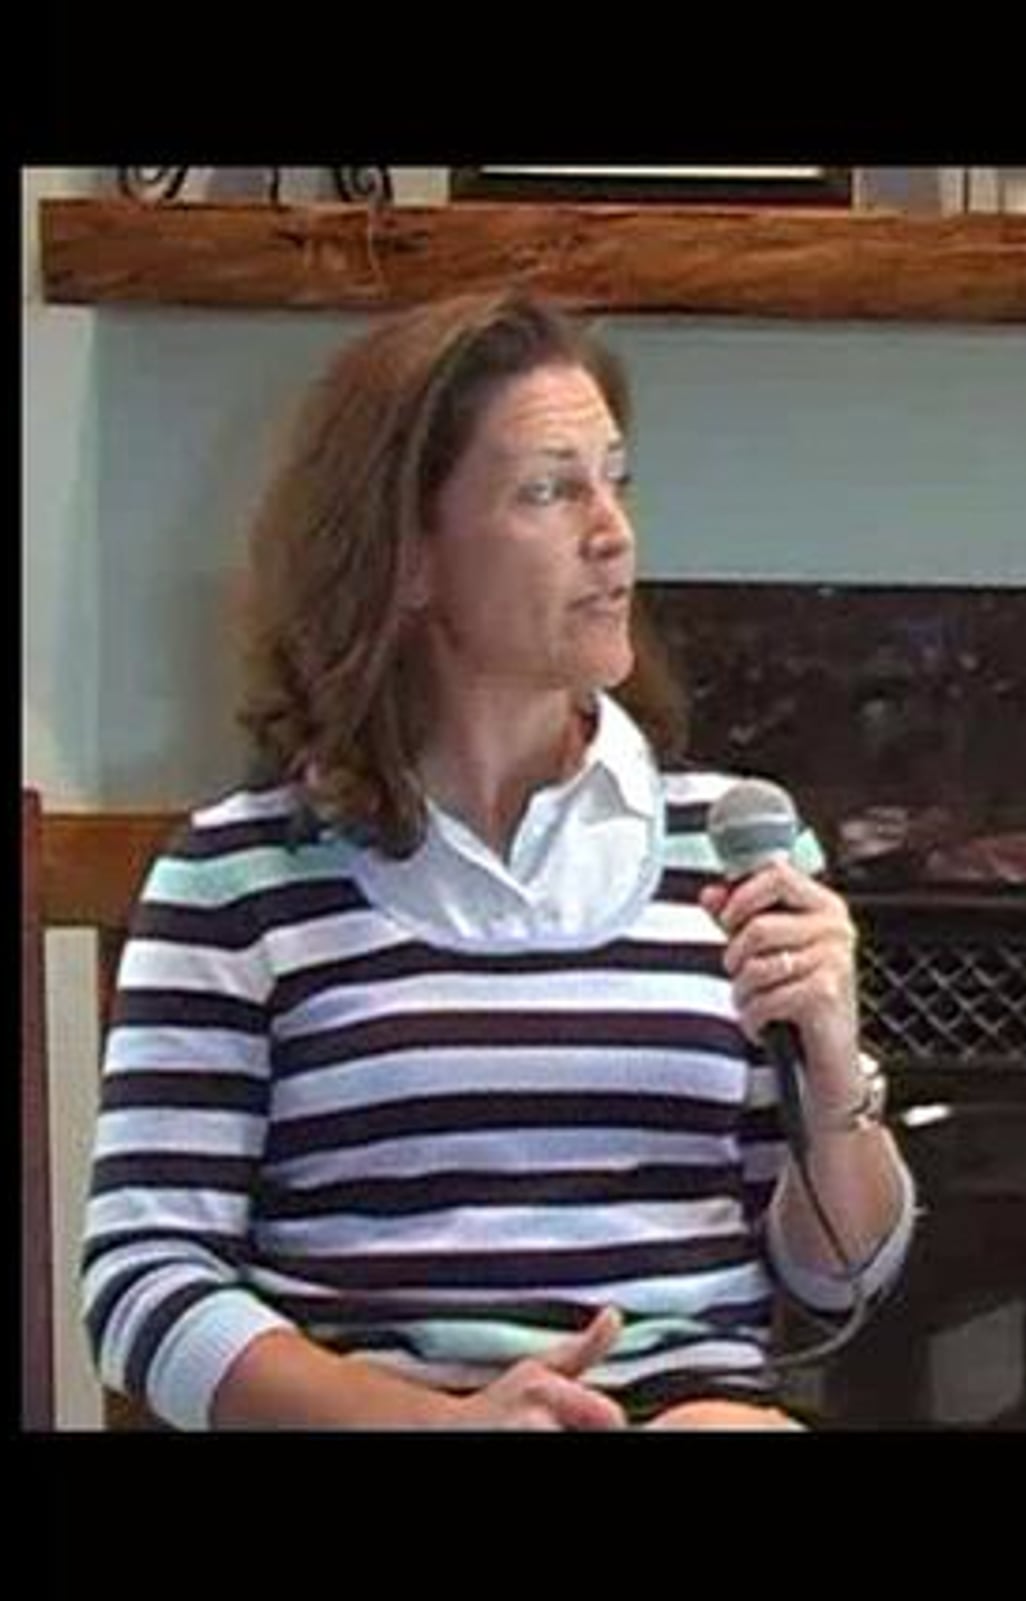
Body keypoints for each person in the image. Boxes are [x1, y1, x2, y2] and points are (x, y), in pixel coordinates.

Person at [80, 290, 914, 1429]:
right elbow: (143, 1286)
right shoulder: (236, 880)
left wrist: (833, 1076)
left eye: (616, 481)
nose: (613, 533)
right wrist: (435, 1427)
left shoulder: (726, 844)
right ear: (409, 557)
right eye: (548, 491)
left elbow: (838, 1279)